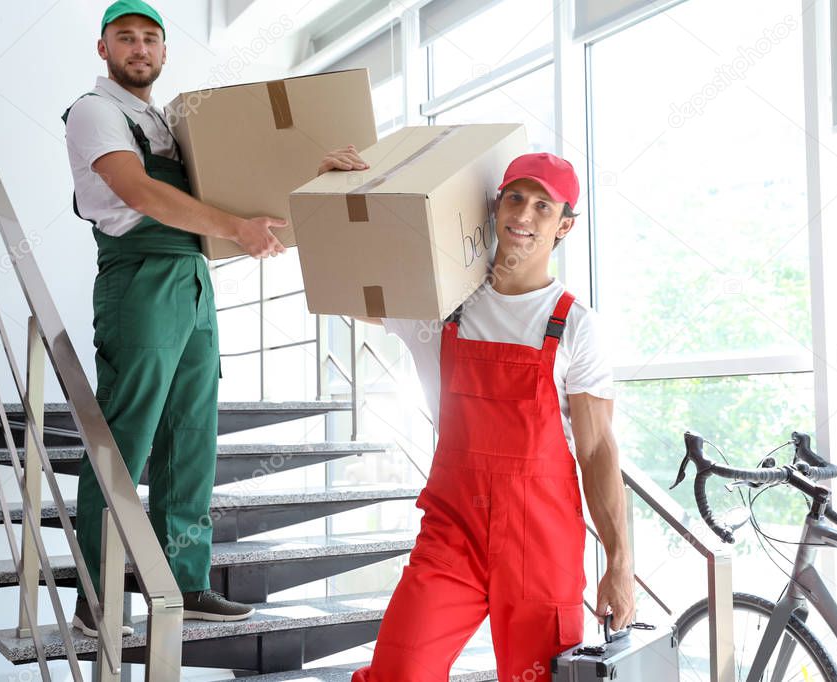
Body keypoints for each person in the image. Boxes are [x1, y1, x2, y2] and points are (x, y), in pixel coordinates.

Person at [317, 148, 636, 681]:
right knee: (401, 671)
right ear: (495, 205)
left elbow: (598, 448)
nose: (524, 216)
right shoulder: (444, 302)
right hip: (453, 530)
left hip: (541, 541)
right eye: (515, 198)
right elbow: (340, 284)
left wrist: (620, 563)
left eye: (543, 206)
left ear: (565, 226)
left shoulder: (575, 326)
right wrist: (332, 196)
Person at [61, 0, 288, 636]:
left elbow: (244, 180)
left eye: (150, 39)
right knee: (127, 437)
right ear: (104, 49)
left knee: (192, 433)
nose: (139, 48)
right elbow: (139, 192)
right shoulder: (95, 110)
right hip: (140, 277)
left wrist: (322, 167)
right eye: (125, 38)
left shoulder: (167, 120)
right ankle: (95, 598)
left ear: (164, 53)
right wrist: (235, 228)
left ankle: (185, 580)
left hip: (191, 276)